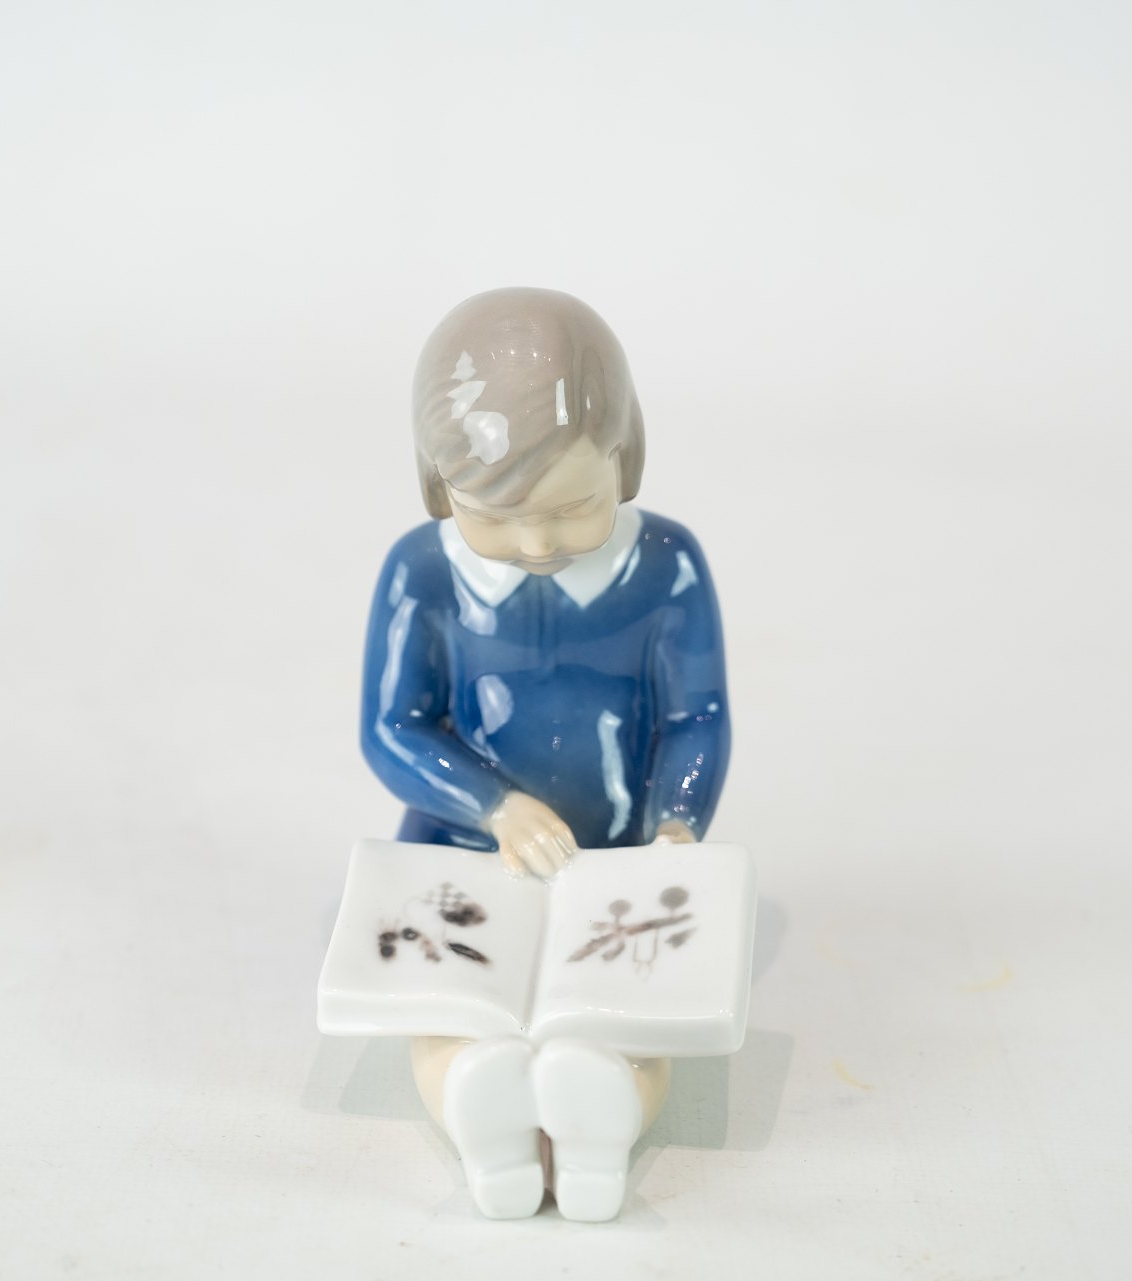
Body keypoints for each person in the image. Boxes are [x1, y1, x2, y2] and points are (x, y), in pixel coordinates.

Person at [358, 287, 731, 1220]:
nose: (534, 543)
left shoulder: (668, 569)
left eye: (573, 507)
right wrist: (493, 805)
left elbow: (696, 718)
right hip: (460, 851)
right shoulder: (422, 572)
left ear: (626, 460)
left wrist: (676, 827)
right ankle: (479, 1107)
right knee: (450, 1008)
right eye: (493, 515)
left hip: (617, 857)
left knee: (630, 1014)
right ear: (437, 488)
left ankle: (601, 1117)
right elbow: (394, 728)